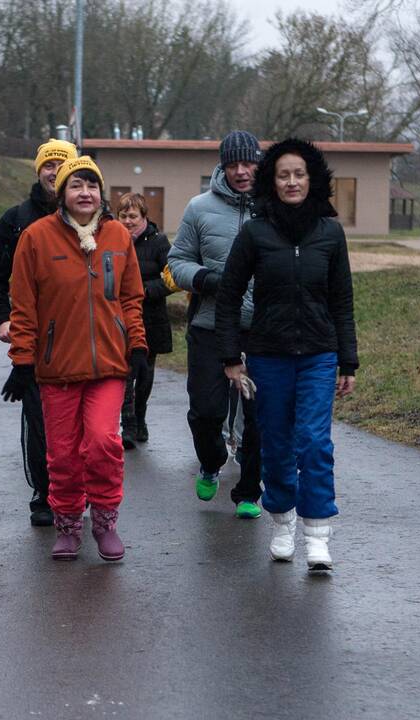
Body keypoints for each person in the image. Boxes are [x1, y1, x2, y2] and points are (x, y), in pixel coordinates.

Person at [215, 138, 357, 574]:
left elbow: (342, 300)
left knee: (314, 442)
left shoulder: (330, 232)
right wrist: (231, 356)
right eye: (283, 175)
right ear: (271, 182)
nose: (291, 181)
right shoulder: (255, 232)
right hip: (268, 355)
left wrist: (347, 360)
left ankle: (317, 534)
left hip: (318, 354)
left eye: (299, 174)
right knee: (276, 443)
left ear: (312, 179)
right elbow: (229, 294)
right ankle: (282, 522)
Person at [2, 156, 148, 561]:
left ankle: (104, 522)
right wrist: (22, 359)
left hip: (109, 365)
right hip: (57, 368)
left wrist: (137, 346)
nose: (85, 193)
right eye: (75, 185)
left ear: (101, 192)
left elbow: (132, 298)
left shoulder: (118, 236)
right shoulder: (35, 237)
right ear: (61, 194)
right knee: (62, 453)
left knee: (102, 443)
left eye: (92, 185)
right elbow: (24, 305)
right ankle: (67, 524)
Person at [0, 138, 78, 525]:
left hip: (81, 339)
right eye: (48, 166)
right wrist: (4, 319)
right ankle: (45, 492)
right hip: (35, 341)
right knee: (40, 422)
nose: (54, 172)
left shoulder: (93, 218)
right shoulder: (16, 219)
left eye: (62, 164)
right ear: (38, 171)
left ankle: (75, 488)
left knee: (81, 422)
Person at [167, 129, 263, 519]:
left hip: (261, 329)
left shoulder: (275, 208)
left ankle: (248, 492)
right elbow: (177, 261)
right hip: (209, 325)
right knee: (206, 411)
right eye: (233, 164)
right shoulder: (199, 207)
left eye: (248, 163)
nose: (241, 171)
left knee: (258, 415)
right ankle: (212, 459)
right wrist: (206, 279)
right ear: (222, 166)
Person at [115, 192, 175, 448]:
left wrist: (145, 290)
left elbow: (173, 278)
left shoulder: (160, 242)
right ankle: (128, 424)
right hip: (120, 318)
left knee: (145, 373)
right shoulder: (112, 240)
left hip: (151, 317)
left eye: (133, 216)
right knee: (125, 372)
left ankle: (141, 415)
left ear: (144, 217)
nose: (128, 221)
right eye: (123, 216)